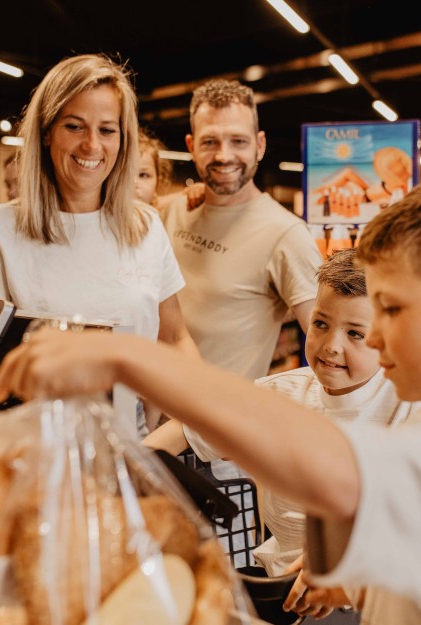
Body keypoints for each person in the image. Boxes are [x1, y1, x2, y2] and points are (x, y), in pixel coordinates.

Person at [0, 174, 421, 625]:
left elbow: (335, 469)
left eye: (392, 310)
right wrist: (362, 582)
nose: (375, 335)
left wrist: (131, 359)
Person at [0, 54, 198, 435]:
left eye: (107, 130)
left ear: (123, 139)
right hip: (32, 444)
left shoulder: (145, 225)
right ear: (47, 131)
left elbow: (174, 337)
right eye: (74, 126)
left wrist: (188, 425)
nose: (91, 146)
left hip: (133, 443)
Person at [149, 78, 322, 458]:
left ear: (259, 145)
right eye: (210, 141)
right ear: (192, 146)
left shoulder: (286, 234)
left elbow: (327, 342)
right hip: (143, 421)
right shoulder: (170, 213)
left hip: (214, 446)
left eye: (239, 141)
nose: (224, 154)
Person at [252, 248, 412, 618]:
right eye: (321, 323)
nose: (331, 345)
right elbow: (192, 427)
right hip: (281, 591)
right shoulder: (279, 393)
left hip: (371, 594)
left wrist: (342, 561)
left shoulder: (410, 406)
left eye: (356, 333)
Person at [135, 129, 173, 208]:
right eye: (125, 175)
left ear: (158, 182)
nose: (134, 183)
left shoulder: (154, 215)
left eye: (143, 175)